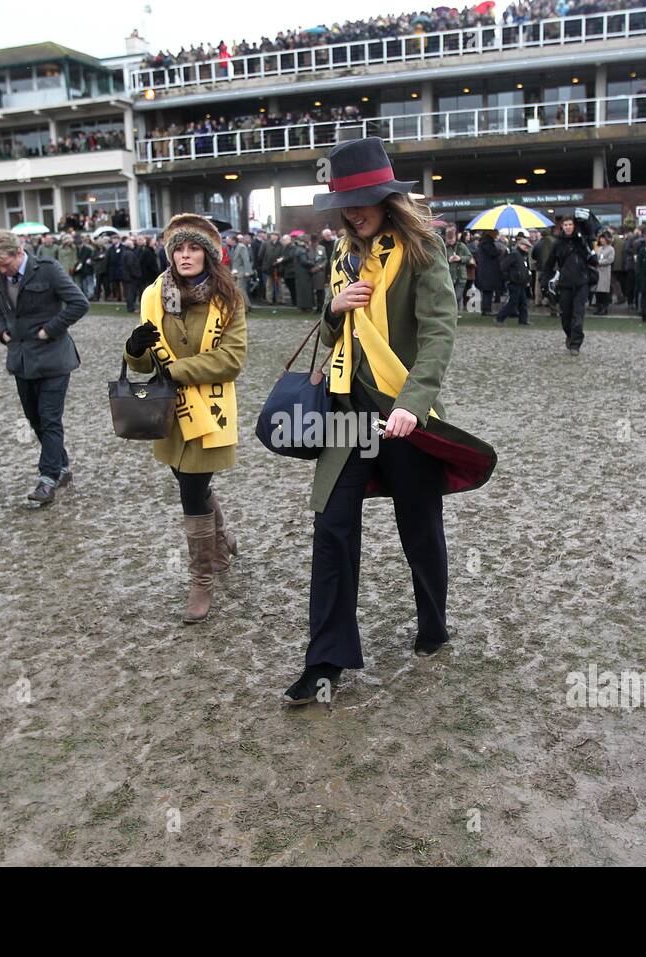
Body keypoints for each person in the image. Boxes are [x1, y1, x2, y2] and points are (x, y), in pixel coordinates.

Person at [285, 136, 458, 705]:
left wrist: (414, 399)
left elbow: (438, 332)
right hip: (345, 413)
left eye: (363, 199)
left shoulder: (423, 248)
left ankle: (433, 622)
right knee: (331, 530)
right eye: (344, 203)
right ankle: (325, 660)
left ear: (389, 197)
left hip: (403, 414)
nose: (353, 211)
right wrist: (332, 310)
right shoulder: (341, 256)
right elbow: (337, 334)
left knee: (420, 527)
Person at [124, 214, 247, 624]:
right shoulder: (153, 296)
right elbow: (142, 364)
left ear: (209, 255)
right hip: (167, 412)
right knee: (188, 481)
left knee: (192, 492)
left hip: (208, 411)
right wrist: (134, 349)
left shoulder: (227, 299)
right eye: (179, 248)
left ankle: (201, 579)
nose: (186, 255)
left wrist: (174, 372)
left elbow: (231, 360)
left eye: (194, 248)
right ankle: (220, 538)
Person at [0, 229, 89, 504]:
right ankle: (62, 466)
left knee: (49, 417)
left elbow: (79, 303)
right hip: (20, 359)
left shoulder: (48, 270)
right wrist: (1, 332)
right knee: (35, 419)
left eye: (5, 264)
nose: (1, 270)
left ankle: (47, 478)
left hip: (54, 358)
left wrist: (51, 330)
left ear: (19, 253)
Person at [544, 214, 595, 354]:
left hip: (581, 283)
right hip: (565, 284)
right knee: (565, 316)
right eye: (565, 225)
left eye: (570, 224)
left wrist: (590, 250)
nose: (567, 227)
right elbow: (549, 263)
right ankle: (570, 335)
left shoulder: (582, 242)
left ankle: (575, 344)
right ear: (562, 226)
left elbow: (593, 260)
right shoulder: (558, 243)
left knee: (578, 314)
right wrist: (545, 280)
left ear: (574, 226)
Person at [496, 234, 531, 326]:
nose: (527, 248)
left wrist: (526, 280)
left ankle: (523, 320)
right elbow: (504, 266)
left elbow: (525, 269)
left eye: (528, 247)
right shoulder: (514, 254)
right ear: (520, 245)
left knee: (523, 303)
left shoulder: (522, 256)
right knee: (513, 302)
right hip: (514, 282)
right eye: (525, 246)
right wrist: (510, 277)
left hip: (521, 283)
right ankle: (500, 318)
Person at [472, 229, 503, 315]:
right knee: (488, 292)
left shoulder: (484, 242)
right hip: (488, 271)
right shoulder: (487, 243)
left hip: (486, 271)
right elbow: (493, 253)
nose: (497, 234)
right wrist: (500, 251)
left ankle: (486, 309)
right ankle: (487, 310)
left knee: (487, 291)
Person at [444, 226, 471, 312]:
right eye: (449, 239)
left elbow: (469, 257)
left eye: (452, 239)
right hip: (448, 276)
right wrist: (448, 260)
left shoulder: (461, 246)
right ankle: (452, 312)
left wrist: (460, 258)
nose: (450, 241)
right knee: (449, 296)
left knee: (457, 296)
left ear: (455, 237)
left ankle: (454, 312)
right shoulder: (444, 247)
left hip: (461, 276)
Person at [593, 231, 615, 315]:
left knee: (604, 291)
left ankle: (604, 308)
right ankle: (598, 307)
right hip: (598, 271)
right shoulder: (599, 248)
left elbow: (610, 260)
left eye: (604, 238)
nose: (602, 240)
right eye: (601, 238)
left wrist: (600, 262)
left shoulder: (611, 249)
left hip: (605, 271)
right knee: (598, 291)